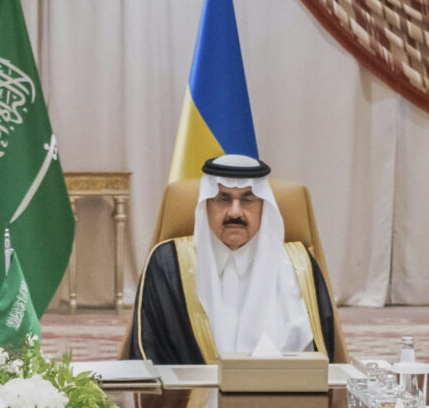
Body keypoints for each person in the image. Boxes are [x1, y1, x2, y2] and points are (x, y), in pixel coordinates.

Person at [124, 154, 338, 364]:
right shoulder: (169, 264)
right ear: (205, 205)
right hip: (192, 397)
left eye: (248, 199)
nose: (235, 212)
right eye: (222, 199)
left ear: (264, 207)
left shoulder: (298, 267)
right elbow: (149, 356)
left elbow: (323, 359)